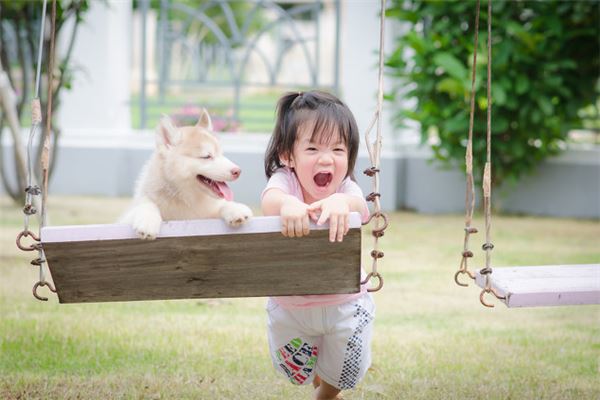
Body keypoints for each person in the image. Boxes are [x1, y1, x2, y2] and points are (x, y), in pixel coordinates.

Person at [262, 90, 375, 400]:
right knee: (298, 367)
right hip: (292, 306)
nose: (326, 158)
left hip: (345, 302)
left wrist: (342, 201)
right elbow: (269, 201)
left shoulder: (344, 187)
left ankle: (325, 395)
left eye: (338, 149)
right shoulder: (286, 182)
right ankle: (319, 384)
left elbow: (360, 206)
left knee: (344, 364)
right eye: (312, 148)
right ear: (288, 156)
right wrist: (287, 204)